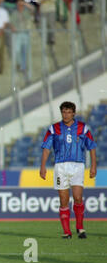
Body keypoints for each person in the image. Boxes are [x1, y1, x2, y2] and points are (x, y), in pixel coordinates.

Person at [40, 101, 97, 239]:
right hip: (60, 166)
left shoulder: (83, 128)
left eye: (68, 112)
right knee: (63, 200)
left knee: (78, 197)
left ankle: (80, 228)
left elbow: (92, 146)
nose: (66, 115)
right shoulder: (54, 129)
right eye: (63, 112)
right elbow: (46, 148)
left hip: (78, 165)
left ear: (74, 113)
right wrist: (42, 166)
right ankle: (67, 232)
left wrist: (93, 165)